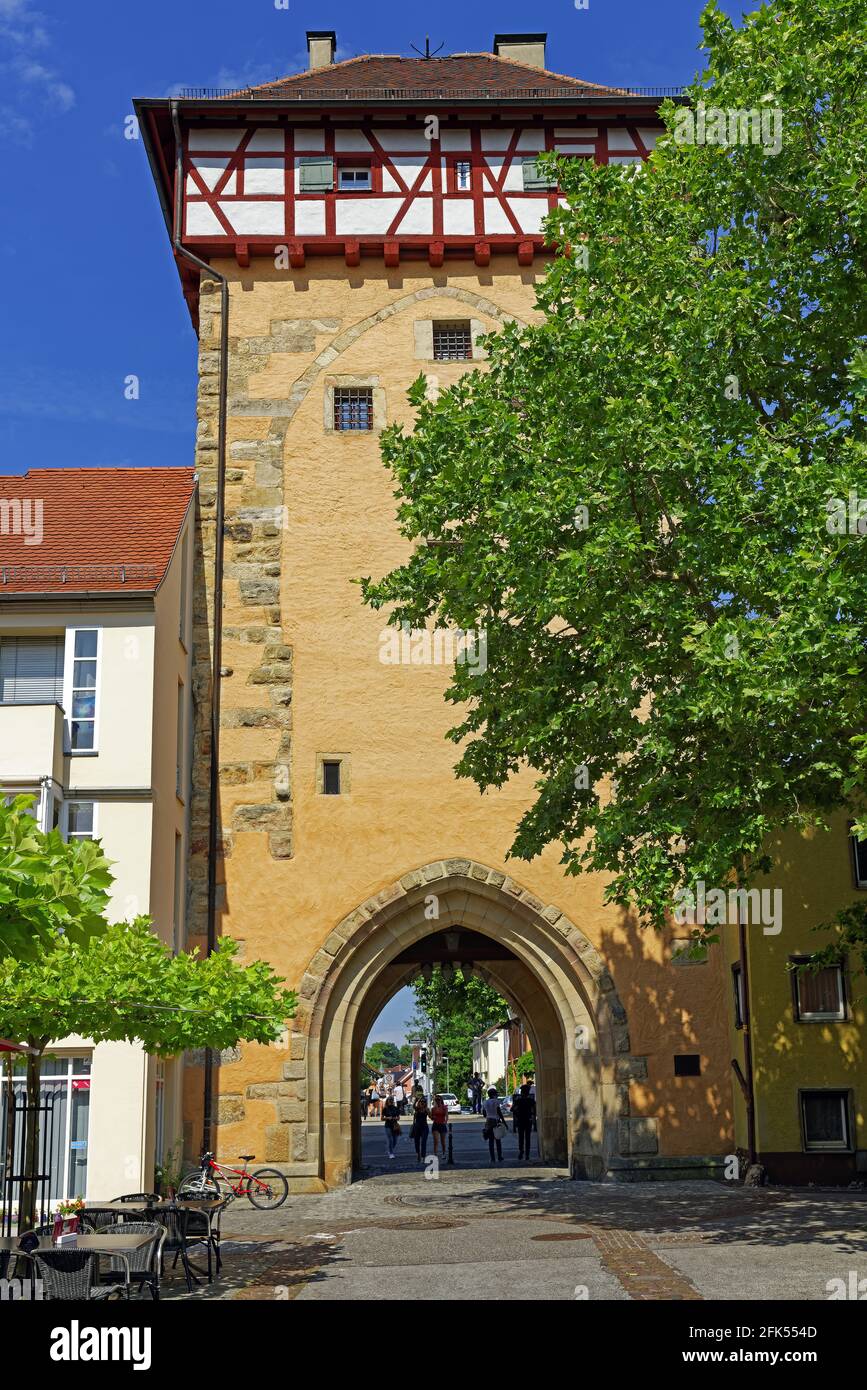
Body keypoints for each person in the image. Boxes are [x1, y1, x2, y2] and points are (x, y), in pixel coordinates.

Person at [482, 1087, 506, 1164]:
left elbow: (484, 1114)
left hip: (488, 1122)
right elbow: (499, 1112)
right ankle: (499, 1156)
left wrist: (489, 1114)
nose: (497, 1095)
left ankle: (492, 1158)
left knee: (491, 1141)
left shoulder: (485, 1102)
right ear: (494, 1095)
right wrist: (504, 1122)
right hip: (495, 1121)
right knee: (498, 1140)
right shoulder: (496, 1102)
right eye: (496, 1094)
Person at [512, 1083, 536, 1162]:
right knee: (528, 1138)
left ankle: (521, 1151)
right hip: (528, 1120)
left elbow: (512, 1109)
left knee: (521, 1137)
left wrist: (517, 1112)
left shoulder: (518, 1100)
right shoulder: (531, 1100)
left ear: (521, 1092)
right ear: (528, 1092)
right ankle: (527, 1155)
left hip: (520, 1120)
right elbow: (534, 1110)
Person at [411, 1090, 430, 1163]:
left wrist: (434, 1117)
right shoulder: (417, 1109)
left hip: (425, 1127)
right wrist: (417, 1099)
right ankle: (418, 1154)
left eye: (424, 1102)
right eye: (421, 1102)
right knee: (417, 1142)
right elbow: (413, 1106)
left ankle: (423, 1156)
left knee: (423, 1142)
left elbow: (431, 1116)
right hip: (417, 1128)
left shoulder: (426, 1109)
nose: (423, 1103)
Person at [382, 1089, 401, 1160]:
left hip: (395, 1125)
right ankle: (391, 1153)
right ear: (387, 1101)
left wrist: (396, 1118)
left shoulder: (395, 1108)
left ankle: (390, 1150)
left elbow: (399, 1117)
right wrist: (387, 1118)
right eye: (390, 1100)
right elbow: (382, 1118)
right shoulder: (385, 1109)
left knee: (395, 1140)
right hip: (388, 1125)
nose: (391, 1101)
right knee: (390, 1139)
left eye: (392, 1100)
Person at [430, 1093, 448, 1158]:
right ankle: (435, 1154)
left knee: (443, 1141)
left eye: (438, 1099)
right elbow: (431, 1117)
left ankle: (443, 1153)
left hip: (442, 1125)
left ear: (441, 1100)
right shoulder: (433, 1109)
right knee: (436, 1140)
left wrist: (445, 1122)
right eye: (436, 1100)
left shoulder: (444, 1107)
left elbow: (446, 1116)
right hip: (435, 1125)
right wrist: (432, 1117)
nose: (437, 1101)